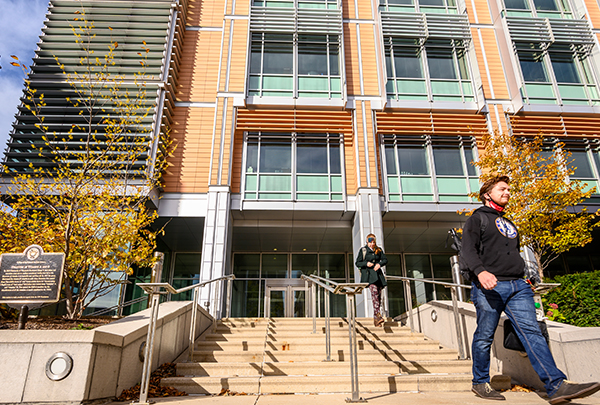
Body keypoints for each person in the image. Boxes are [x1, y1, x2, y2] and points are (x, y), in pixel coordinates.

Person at [461, 175, 600, 403]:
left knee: (532, 333)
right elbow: (468, 249)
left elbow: (511, 253)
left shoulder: (509, 222)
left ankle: (556, 386)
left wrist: (526, 277)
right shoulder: (477, 219)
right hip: (490, 287)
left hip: (518, 286)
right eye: (502, 189)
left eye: (508, 189)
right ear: (487, 194)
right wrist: (481, 272)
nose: (507, 192)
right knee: (484, 335)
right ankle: (480, 382)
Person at [355, 234, 388, 327]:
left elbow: (385, 260)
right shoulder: (363, 250)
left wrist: (379, 264)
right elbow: (357, 263)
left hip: (378, 276)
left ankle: (376, 320)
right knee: (374, 295)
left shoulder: (379, 250)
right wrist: (366, 263)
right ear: (367, 241)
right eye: (370, 242)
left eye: (373, 242)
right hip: (370, 277)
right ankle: (378, 315)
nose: (372, 244)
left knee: (378, 297)